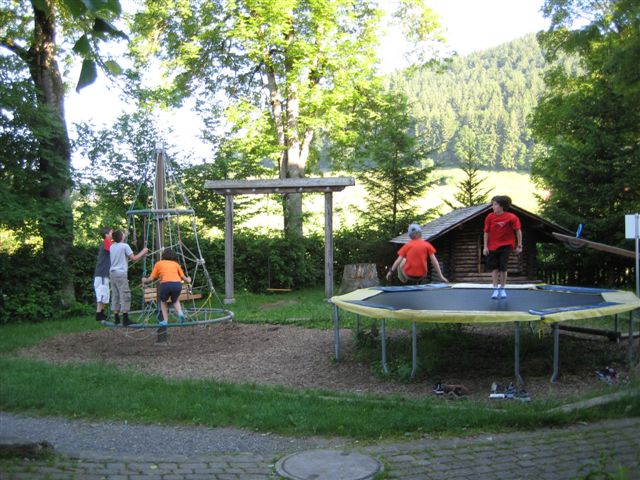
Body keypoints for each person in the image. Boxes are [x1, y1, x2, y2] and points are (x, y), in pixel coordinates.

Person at [483, 195, 522, 299]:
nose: (493, 206)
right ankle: (495, 289)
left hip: (506, 245)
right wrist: (485, 247)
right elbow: (486, 232)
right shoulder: (489, 217)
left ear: (502, 206)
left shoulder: (511, 217)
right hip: (492, 246)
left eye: (495, 204)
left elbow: (518, 231)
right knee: (494, 269)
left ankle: (503, 289)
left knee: (503, 268)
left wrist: (519, 245)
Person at [142, 248, 192, 326]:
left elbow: (151, 278)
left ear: (163, 256)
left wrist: (145, 280)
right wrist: (188, 279)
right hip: (177, 284)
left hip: (166, 284)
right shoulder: (176, 264)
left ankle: (165, 321)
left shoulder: (159, 263)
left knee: (163, 301)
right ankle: (180, 313)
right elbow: (183, 277)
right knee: (175, 300)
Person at [109, 229, 149, 326]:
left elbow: (119, 241)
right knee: (125, 294)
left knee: (116, 295)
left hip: (112, 273)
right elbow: (134, 258)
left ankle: (117, 318)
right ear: (121, 237)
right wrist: (144, 251)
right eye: (123, 234)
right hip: (120, 274)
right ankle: (126, 319)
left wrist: (124, 234)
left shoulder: (112, 246)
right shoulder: (124, 246)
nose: (124, 235)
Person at [94, 227, 113, 322]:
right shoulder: (107, 241)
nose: (112, 234)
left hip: (103, 274)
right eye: (111, 232)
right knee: (102, 293)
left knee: (104, 294)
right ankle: (99, 314)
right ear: (106, 235)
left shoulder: (108, 242)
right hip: (101, 274)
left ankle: (101, 313)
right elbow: (113, 250)